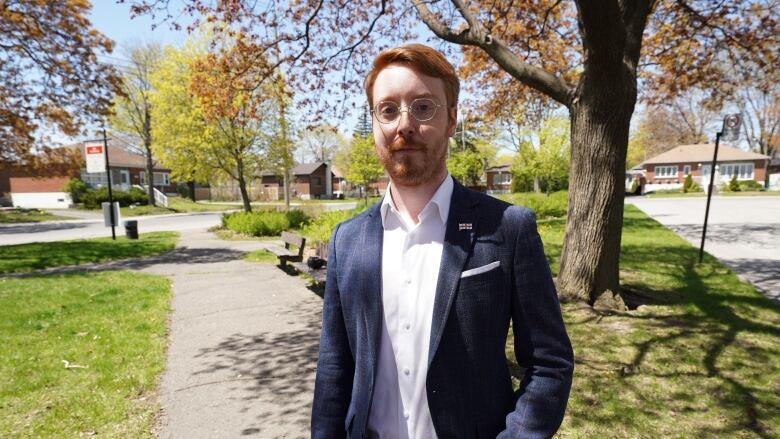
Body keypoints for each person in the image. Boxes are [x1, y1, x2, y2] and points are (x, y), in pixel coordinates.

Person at [312, 43, 574, 439]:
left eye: (423, 107)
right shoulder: (348, 240)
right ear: (375, 126)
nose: (404, 125)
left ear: (451, 119)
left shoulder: (508, 229)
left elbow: (549, 362)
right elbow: (334, 366)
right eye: (388, 110)